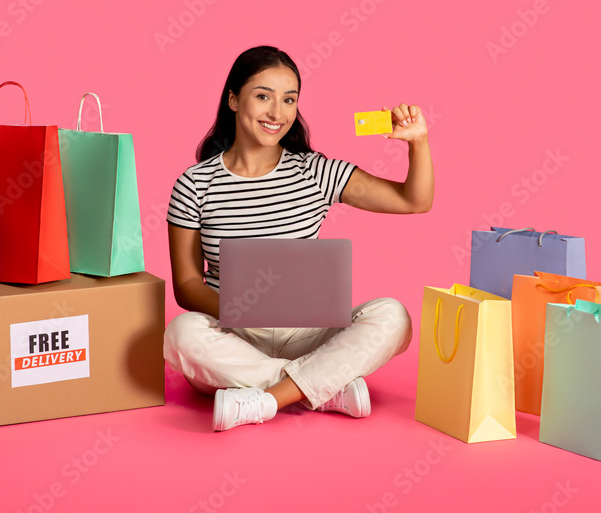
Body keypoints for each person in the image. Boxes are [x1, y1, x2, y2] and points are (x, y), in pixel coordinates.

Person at [164, 45, 433, 431]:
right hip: (235, 331)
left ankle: (266, 399)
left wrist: (418, 141)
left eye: (288, 99)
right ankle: (325, 387)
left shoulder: (316, 171)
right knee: (180, 334)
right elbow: (187, 285)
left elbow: (414, 201)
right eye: (263, 97)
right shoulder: (195, 184)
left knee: (394, 316)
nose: (277, 113)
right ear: (234, 100)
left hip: (310, 331)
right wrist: (243, 306)